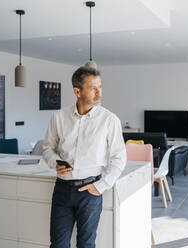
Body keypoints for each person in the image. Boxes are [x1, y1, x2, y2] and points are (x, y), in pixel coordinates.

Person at [42, 66, 127, 248]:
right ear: (77, 91)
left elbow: (119, 158)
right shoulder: (59, 117)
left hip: (90, 191)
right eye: (93, 88)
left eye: (100, 87)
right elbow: (47, 148)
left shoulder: (109, 120)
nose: (99, 92)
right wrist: (55, 162)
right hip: (62, 189)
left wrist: (101, 186)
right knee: (57, 245)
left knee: (86, 244)